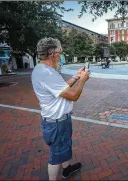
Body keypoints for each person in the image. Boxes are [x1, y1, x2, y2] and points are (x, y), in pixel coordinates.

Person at [31, 37, 89, 180]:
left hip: (55, 120)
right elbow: (73, 95)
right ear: (52, 54)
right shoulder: (47, 73)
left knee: (62, 148)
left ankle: (67, 169)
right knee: (56, 155)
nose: (61, 55)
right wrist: (82, 80)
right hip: (57, 122)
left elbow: (60, 89)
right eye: (60, 52)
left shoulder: (41, 69)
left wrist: (75, 77)